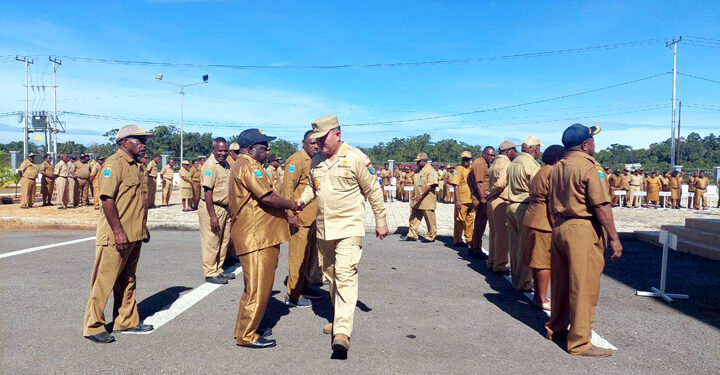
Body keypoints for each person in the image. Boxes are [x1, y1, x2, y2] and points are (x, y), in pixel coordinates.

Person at [298, 115, 388, 354]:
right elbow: (311, 187)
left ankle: (342, 332)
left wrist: (381, 220)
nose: (318, 144)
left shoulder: (356, 158)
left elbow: (373, 190)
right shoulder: (316, 161)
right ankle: (339, 318)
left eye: (322, 138)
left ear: (337, 134)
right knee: (331, 276)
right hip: (324, 230)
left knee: (346, 275)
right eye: (315, 139)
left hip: (349, 228)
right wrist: (301, 200)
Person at [545, 123, 622, 357]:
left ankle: (556, 328)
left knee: (561, 283)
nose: (594, 145)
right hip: (582, 228)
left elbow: (550, 204)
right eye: (593, 141)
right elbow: (600, 204)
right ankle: (579, 342)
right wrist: (614, 238)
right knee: (583, 286)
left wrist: (557, 226)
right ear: (586, 144)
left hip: (560, 226)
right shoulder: (590, 167)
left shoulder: (558, 167)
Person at [83, 124, 155, 343]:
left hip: (134, 234)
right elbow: (107, 199)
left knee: (128, 279)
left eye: (145, 141)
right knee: (104, 281)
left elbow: (137, 202)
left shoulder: (137, 166)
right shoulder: (114, 164)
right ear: (125, 142)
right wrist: (118, 232)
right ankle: (94, 326)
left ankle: (126, 320)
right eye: (139, 140)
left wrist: (143, 229)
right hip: (117, 235)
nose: (144, 145)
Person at [230, 129, 298, 349]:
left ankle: (244, 328)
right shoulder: (249, 165)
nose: (268, 151)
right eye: (264, 147)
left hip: (260, 234)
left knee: (253, 287)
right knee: (258, 288)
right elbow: (267, 197)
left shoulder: (248, 165)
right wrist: (292, 204)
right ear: (251, 149)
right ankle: (247, 335)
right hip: (256, 236)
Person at [522, 145, 566, 311]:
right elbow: (551, 202)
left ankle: (538, 296)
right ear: (557, 159)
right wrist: (555, 224)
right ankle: (541, 298)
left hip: (533, 217)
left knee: (537, 261)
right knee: (544, 263)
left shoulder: (541, 170)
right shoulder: (552, 172)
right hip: (543, 222)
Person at [283, 130, 323, 307]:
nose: (315, 145)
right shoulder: (296, 160)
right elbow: (287, 190)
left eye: (317, 142)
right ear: (303, 143)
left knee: (309, 257)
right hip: (300, 219)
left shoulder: (315, 160)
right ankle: (293, 295)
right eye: (311, 142)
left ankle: (306, 286)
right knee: (298, 258)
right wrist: (290, 215)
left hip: (313, 218)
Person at [506, 136, 542, 292]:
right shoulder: (532, 166)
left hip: (511, 205)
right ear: (535, 148)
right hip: (524, 207)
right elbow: (537, 190)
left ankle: (516, 278)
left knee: (514, 246)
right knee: (524, 247)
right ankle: (523, 282)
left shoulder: (514, 163)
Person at [199, 139, 236, 284]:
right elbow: (208, 191)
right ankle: (210, 272)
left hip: (225, 208)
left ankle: (219, 269)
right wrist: (212, 216)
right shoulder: (210, 166)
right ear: (214, 150)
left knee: (224, 240)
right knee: (212, 240)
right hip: (212, 207)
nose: (223, 153)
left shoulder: (225, 164)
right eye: (220, 150)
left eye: (225, 150)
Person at [486, 141, 517, 274]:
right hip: (500, 200)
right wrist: (491, 193)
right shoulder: (506, 164)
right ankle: (500, 264)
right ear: (509, 151)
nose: (516, 153)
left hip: (493, 201)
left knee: (494, 234)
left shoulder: (495, 163)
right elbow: (500, 184)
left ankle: (492, 260)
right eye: (515, 150)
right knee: (502, 235)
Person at [402, 152, 438, 242]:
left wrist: (421, 195)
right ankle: (412, 234)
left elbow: (431, 185)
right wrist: (403, 181)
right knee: (413, 217)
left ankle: (431, 236)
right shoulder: (418, 170)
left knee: (429, 219)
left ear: (425, 161)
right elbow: (413, 180)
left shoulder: (431, 171)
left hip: (426, 199)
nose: (417, 163)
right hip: (416, 198)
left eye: (419, 161)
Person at [468, 146, 495, 258]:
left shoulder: (483, 163)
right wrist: (483, 199)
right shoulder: (480, 163)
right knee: (480, 224)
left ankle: (475, 246)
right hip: (480, 198)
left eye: (494, 155)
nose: (493, 157)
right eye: (491, 155)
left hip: (480, 196)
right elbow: (479, 183)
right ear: (484, 154)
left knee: (480, 223)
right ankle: (476, 249)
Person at [450, 151, 474, 247]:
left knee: (470, 220)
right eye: (464, 159)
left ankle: (469, 239)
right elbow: (455, 185)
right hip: (462, 200)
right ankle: (458, 239)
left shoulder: (472, 169)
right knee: (459, 220)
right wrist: (457, 200)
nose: (465, 161)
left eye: (467, 159)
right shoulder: (458, 169)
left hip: (471, 200)